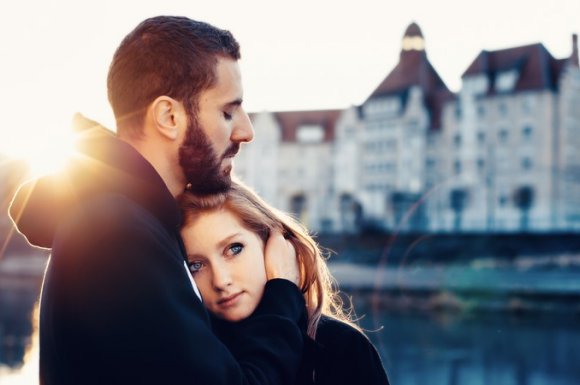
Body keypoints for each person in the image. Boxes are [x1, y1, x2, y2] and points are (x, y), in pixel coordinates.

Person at [9, 16, 305, 385]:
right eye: (227, 112)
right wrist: (283, 295)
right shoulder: (119, 233)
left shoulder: (117, 219)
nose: (246, 132)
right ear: (169, 116)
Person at [179, 181, 390, 385]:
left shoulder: (342, 347)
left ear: (273, 244)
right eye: (196, 265)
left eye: (234, 249)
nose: (221, 280)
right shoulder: (190, 356)